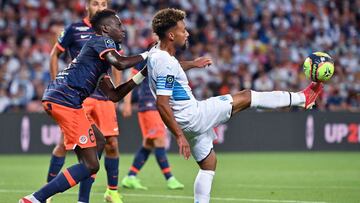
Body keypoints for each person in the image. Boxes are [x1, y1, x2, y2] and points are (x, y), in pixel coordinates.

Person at [146, 8, 323, 203]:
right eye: (183, 30)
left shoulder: (155, 53)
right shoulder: (166, 64)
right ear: (171, 35)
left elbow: (169, 69)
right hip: (192, 116)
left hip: (185, 120)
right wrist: (179, 136)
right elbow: (162, 103)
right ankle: (302, 99)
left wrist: (193, 64)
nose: (187, 33)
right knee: (246, 97)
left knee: (208, 163)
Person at [19, 9, 149, 203]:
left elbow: (114, 95)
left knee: (100, 141)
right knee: (91, 165)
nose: (123, 29)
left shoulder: (97, 60)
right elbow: (120, 63)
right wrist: (149, 54)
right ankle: (35, 199)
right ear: (105, 28)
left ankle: (78, 200)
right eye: (119, 25)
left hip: (64, 99)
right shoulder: (102, 41)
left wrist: (143, 73)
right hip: (65, 100)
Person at [47, 1, 123, 202]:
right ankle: (47, 194)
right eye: (96, 3)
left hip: (103, 95)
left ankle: (111, 191)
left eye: (104, 3)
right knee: (66, 145)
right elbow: (54, 54)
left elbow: (116, 65)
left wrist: (118, 93)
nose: (100, 6)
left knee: (110, 144)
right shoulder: (74, 28)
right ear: (88, 6)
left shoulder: (111, 31)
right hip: (78, 97)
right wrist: (56, 82)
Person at [120, 48, 212, 190]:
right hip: (149, 104)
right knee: (159, 141)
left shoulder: (167, 58)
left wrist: (193, 63)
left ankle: (130, 176)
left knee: (149, 143)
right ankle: (170, 179)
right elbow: (132, 77)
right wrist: (126, 103)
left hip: (153, 104)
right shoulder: (149, 56)